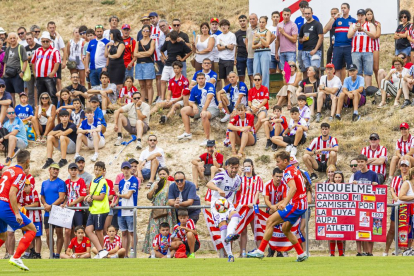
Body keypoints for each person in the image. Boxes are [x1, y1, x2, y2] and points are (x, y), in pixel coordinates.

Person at [248, 151, 308, 262]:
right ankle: (301, 253)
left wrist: (284, 203)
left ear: (285, 161)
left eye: (278, 161)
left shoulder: (287, 172)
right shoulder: (295, 169)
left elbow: (293, 188)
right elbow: (302, 182)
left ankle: (260, 251)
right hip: (302, 204)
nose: (277, 164)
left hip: (296, 205)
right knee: (285, 229)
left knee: (270, 221)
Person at [0, 150, 36, 271]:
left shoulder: (8, 170)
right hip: (5, 205)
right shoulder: (21, 174)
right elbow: (12, 193)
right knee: (32, 229)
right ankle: (16, 257)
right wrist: (16, 213)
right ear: (27, 161)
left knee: (3, 236)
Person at [206, 157, 242, 262]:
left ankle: (230, 234)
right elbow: (209, 184)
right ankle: (230, 255)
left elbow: (234, 192)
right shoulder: (221, 175)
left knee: (236, 215)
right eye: (232, 168)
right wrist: (218, 189)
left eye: (236, 168)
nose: (234, 170)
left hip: (228, 203)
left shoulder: (238, 179)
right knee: (223, 225)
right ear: (227, 167)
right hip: (217, 204)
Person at [143, 167, 177, 254]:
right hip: (156, 211)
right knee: (155, 232)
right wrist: (154, 188)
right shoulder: (155, 184)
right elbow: (149, 197)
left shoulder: (172, 184)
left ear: (168, 175)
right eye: (160, 174)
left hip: (167, 211)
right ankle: (153, 252)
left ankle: (168, 252)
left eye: (164, 174)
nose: (162, 176)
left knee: (167, 232)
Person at [178, 72, 219, 145]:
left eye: (202, 78)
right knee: (183, 110)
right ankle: (188, 133)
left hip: (212, 107)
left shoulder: (210, 85)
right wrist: (194, 106)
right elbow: (190, 102)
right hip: (200, 107)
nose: (201, 80)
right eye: (199, 79)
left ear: (205, 79)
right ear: (196, 79)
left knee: (204, 115)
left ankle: (207, 139)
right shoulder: (194, 88)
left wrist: (203, 110)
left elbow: (209, 98)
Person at [353, 154, 378, 256]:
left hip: (370, 205)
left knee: (370, 228)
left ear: (366, 162)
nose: (360, 164)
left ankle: (370, 252)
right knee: (358, 227)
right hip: (359, 205)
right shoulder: (356, 174)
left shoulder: (373, 174)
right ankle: (359, 251)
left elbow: (378, 189)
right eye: (358, 162)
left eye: (362, 162)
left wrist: (375, 184)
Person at [384, 159, 410, 256]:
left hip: (407, 205)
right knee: (392, 228)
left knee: (406, 228)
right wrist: (396, 198)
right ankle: (386, 250)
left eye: (406, 166)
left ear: (409, 167)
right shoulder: (395, 179)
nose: (404, 167)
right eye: (402, 165)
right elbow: (392, 189)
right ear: (399, 167)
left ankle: (401, 249)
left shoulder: (410, 179)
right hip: (396, 205)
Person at [236, 159, 263, 256]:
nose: (247, 168)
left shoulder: (258, 178)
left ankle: (260, 250)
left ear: (252, 167)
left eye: (249, 166)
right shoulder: (240, 178)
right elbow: (238, 189)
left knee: (255, 229)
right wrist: (240, 174)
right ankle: (243, 251)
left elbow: (257, 192)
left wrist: (254, 203)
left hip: (252, 206)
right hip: (242, 206)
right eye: (245, 166)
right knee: (243, 230)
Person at [40, 163, 66, 259]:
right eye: (54, 169)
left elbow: (61, 198)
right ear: (49, 170)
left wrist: (51, 206)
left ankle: (58, 254)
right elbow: (42, 196)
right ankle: (52, 253)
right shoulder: (44, 183)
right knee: (48, 233)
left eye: (57, 169)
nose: (55, 171)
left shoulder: (61, 183)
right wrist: (45, 204)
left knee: (59, 233)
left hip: (58, 211)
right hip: (47, 212)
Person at [324, 3, 356, 80]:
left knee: (350, 69)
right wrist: (334, 18)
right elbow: (325, 29)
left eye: (344, 8)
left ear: (348, 9)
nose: (343, 9)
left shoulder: (353, 20)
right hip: (337, 47)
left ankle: (349, 86)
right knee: (337, 68)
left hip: (349, 46)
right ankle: (338, 87)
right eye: (342, 8)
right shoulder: (337, 19)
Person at [84, 161, 110, 259]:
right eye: (96, 169)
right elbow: (94, 195)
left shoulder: (103, 181)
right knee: (88, 230)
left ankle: (102, 251)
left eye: (99, 170)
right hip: (93, 209)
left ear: (103, 171)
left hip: (101, 210)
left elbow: (102, 197)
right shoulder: (93, 180)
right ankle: (101, 250)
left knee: (99, 231)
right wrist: (89, 197)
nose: (97, 171)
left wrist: (91, 196)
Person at [113, 161, 138, 257]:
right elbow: (120, 196)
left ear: (130, 169)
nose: (126, 170)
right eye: (125, 168)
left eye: (128, 168)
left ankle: (133, 253)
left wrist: (118, 195)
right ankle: (125, 254)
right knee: (123, 232)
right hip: (121, 210)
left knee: (132, 232)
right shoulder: (121, 182)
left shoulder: (134, 180)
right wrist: (114, 203)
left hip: (130, 210)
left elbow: (128, 195)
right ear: (122, 170)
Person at [347, 9, 376, 87]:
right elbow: (349, 36)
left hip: (368, 51)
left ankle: (368, 90)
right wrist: (355, 29)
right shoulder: (353, 25)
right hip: (356, 51)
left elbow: (373, 35)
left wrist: (364, 30)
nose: (360, 17)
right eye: (359, 15)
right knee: (358, 72)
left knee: (368, 72)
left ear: (365, 16)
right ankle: (360, 89)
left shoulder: (370, 25)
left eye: (362, 15)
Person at [160, 31, 192, 101]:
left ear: (177, 38)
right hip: (167, 64)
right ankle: (162, 99)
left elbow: (190, 51)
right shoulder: (168, 41)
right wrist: (164, 57)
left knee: (172, 82)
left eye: (175, 40)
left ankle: (172, 98)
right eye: (172, 40)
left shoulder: (181, 43)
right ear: (169, 37)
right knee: (163, 80)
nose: (173, 42)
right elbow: (161, 50)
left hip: (175, 65)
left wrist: (182, 59)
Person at [31, 31, 60, 106]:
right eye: (43, 41)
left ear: (50, 41)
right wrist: (35, 73)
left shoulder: (54, 50)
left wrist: (53, 72)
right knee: (41, 95)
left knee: (52, 94)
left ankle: (53, 110)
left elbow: (57, 62)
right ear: (41, 42)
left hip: (49, 76)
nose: (45, 42)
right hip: (39, 76)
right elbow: (33, 62)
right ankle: (42, 111)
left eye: (47, 41)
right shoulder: (37, 50)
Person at [63, 163, 87, 251]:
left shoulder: (81, 181)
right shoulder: (66, 182)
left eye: (75, 170)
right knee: (67, 231)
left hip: (78, 210)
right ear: (69, 171)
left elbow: (83, 195)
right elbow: (65, 196)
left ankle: (79, 251)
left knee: (79, 231)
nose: (73, 171)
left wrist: (73, 203)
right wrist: (64, 203)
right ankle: (67, 251)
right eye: (71, 170)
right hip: (68, 210)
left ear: (77, 171)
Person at [264, 167, 286, 257]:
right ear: (272, 176)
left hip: (279, 209)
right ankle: (271, 249)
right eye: (277, 176)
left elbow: (285, 199)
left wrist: (275, 207)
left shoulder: (284, 185)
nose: (278, 179)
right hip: (270, 210)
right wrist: (271, 207)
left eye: (280, 177)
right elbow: (266, 199)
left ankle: (279, 250)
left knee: (280, 230)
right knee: (270, 229)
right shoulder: (267, 185)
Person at [18, 179, 42, 259]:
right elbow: (18, 204)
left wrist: (25, 207)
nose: (25, 188)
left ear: (30, 186)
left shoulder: (34, 191)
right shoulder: (22, 193)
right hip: (27, 218)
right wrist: (23, 207)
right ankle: (32, 252)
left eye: (26, 186)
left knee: (37, 236)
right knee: (27, 235)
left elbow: (36, 204)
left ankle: (38, 253)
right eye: (24, 186)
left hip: (36, 217)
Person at [3, 32, 28, 104]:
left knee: (20, 93)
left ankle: (23, 107)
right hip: (8, 74)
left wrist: (22, 72)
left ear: (17, 38)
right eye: (11, 38)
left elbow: (25, 61)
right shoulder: (8, 49)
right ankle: (12, 109)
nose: (12, 40)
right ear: (8, 39)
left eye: (14, 38)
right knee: (10, 93)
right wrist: (4, 73)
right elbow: (5, 62)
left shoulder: (21, 47)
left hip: (17, 73)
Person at [134, 24, 155, 104]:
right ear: (141, 32)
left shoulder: (152, 41)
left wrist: (140, 53)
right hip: (139, 64)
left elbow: (150, 52)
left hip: (148, 64)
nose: (145, 32)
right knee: (142, 85)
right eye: (144, 31)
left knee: (149, 84)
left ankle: (149, 102)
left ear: (149, 32)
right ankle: (142, 102)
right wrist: (145, 53)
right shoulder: (138, 42)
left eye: (147, 31)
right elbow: (135, 54)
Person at [149, 12, 166, 103]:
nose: (152, 20)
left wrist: (164, 55)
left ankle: (165, 96)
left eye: (153, 18)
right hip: (155, 58)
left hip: (163, 56)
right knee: (158, 77)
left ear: (157, 17)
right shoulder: (151, 29)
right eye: (150, 18)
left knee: (166, 77)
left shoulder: (163, 26)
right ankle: (159, 96)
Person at [329, 171, 345, 257]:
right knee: (332, 234)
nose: (338, 179)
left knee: (340, 235)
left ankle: (341, 253)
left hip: (342, 214)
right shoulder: (329, 186)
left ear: (342, 178)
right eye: (336, 177)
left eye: (339, 177)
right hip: (332, 213)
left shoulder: (346, 187)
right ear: (333, 178)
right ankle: (332, 253)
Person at [252, 16, 271, 89]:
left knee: (265, 72)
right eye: (260, 22)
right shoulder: (256, 32)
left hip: (265, 52)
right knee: (256, 72)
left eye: (263, 22)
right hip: (257, 52)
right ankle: (255, 90)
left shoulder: (267, 31)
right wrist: (259, 44)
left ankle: (265, 90)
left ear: (266, 23)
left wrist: (259, 37)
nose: (261, 24)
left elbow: (267, 44)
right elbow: (253, 46)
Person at [217, 19, 236, 87]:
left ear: (228, 26)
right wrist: (226, 46)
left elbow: (232, 47)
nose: (223, 27)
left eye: (225, 25)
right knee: (224, 78)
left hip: (229, 59)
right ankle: (226, 91)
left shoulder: (232, 35)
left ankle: (231, 91)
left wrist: (224, 46)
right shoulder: (219, 36)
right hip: (221, 59)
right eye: (222, 25)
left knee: (229, 78)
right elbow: (218, 48)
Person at [47, 21, 66, 92]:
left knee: (58, 80)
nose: (52, 29)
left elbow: (64, 49)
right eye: (50, 28)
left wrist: (64, 61)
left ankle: (59, 98)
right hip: (48, 62)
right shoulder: (45, 38)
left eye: (53, 27)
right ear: (47, 28)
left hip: (57, 62)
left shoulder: (59, 38)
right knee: (49, 80)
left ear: (55, 28)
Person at [365, 8, 381, 86]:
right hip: (366, 47)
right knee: (368, 69)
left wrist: (371, 34)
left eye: (371, 14)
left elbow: (377, 35)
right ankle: (369, 88)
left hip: (374, 47)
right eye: (368, 14)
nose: (369, 16)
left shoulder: (377, 23)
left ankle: (380, 86)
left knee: (376, 68)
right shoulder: (363, 24)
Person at [24, 33, 40, 107]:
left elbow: (38, 56)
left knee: (38, 90)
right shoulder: (25, 48)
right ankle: (31, 107)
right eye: (27, 39)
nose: (28, 40)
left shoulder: (39, 47)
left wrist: (29, 57)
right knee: (30, 91)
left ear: (33, 38)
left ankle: (38, 106)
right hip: (28, 72)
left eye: (30, 38)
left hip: (38, 71)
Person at [209, 17, 223, 90]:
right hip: (208, 58)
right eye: (213, 24)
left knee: (218, 77)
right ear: (210, 25)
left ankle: (218, 93)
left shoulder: (221, 34)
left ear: (218, 25)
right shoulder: (207, 33)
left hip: (217, 58)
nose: (214, 26)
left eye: (216, 24)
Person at [246, 14, 258, 87]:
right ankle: (252, 91)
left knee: (257, 75)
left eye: (254, 19)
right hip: (249, 56)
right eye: (250, 19)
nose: (252, 20)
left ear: (257, 19)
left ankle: (258, 92)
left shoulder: (260, 27)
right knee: (250, 75)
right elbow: (247, 40)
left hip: (257, 55)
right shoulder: (248, 29)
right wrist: (247, 47)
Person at [235, 15, 248, 81]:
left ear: (246, 21)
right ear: (239, 22)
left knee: (252, 76)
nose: (242, 22)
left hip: (250, 57)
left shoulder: (250, 31)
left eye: (243, 21)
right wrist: (234, 58)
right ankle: (242, 91)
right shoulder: (236, 33)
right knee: (241, 77)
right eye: (240, 21)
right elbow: (235, 46)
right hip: (240, 57)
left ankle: (252, 91)